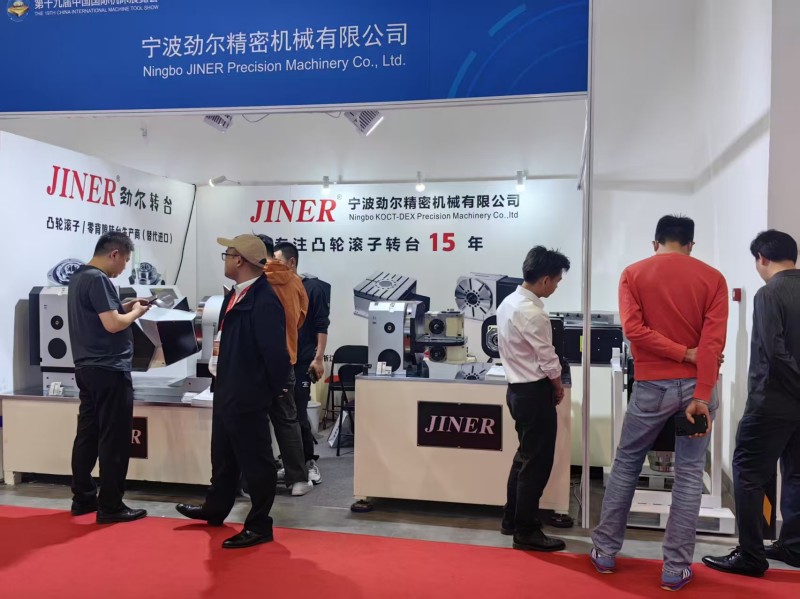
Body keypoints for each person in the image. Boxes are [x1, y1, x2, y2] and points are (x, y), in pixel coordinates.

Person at [590, 215, 728, 592]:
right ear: (691, 245)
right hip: (699, 388)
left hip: (651, 386)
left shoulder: (633, 274)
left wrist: (679, 353)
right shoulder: (713, 278)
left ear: (655, 243)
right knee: (689, 473)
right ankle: (675, 569)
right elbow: (713, 343)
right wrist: (701, 392)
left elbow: (633, 331)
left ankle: (605, 551)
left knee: (626, 463)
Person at [176, 234, 290, 549]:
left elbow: (275, 353)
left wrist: (272, 390)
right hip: (227, 386)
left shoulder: (264, 300)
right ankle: (215, 508)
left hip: (248, 392)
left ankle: (259, 524)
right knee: (223, 455)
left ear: (239, 260)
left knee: (256, 461)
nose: (224, 260)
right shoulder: (236, 295)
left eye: (226, 254)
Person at [703, 230, 800, 576]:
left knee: (746, 471)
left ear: (762, 257)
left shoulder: (768, 293)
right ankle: (794, 546)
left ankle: (751, 555)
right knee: (796, 473)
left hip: (772, 402)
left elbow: (774, 352)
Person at [68, 231, 150, 524]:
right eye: (125, 260)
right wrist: (136, 313)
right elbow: (113, 325)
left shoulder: (79, 277)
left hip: (87, 368)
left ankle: (83, 498)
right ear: (114, 254)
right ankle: (111, 505)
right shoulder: (99, 279)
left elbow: (101, 316)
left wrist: (126, 307)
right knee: (114, 438)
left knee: (88, 434)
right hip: (109, 368)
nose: (124, 267)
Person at [497, 245, 571, 552]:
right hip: (534, 392)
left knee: (525, 457)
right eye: (557, 281)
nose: (556, 287)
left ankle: (511, 518)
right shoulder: (532, 313)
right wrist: (558, 386)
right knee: (537, 463)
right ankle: (526, 530)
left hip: (516, 390)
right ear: (544, 280)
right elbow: (548, 359)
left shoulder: (508, 303)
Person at [258, 236, 313, 497]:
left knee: (255, 421)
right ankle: (298, 479)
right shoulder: (295, 281)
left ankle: (255, 479)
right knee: (287, 420)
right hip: (286, 359)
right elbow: (301, 318)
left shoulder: (255, 280)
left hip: (255, 362)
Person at [274, 240, 330, 486]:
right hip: (280, 360)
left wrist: (318, 358)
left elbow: (321, 325)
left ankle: (308, 461)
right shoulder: (274, 287)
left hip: (303, 360)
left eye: (277, 261)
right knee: (283, 415)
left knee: (297, 413)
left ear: (291, 262)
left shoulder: (312, 288)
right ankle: (290, 464)